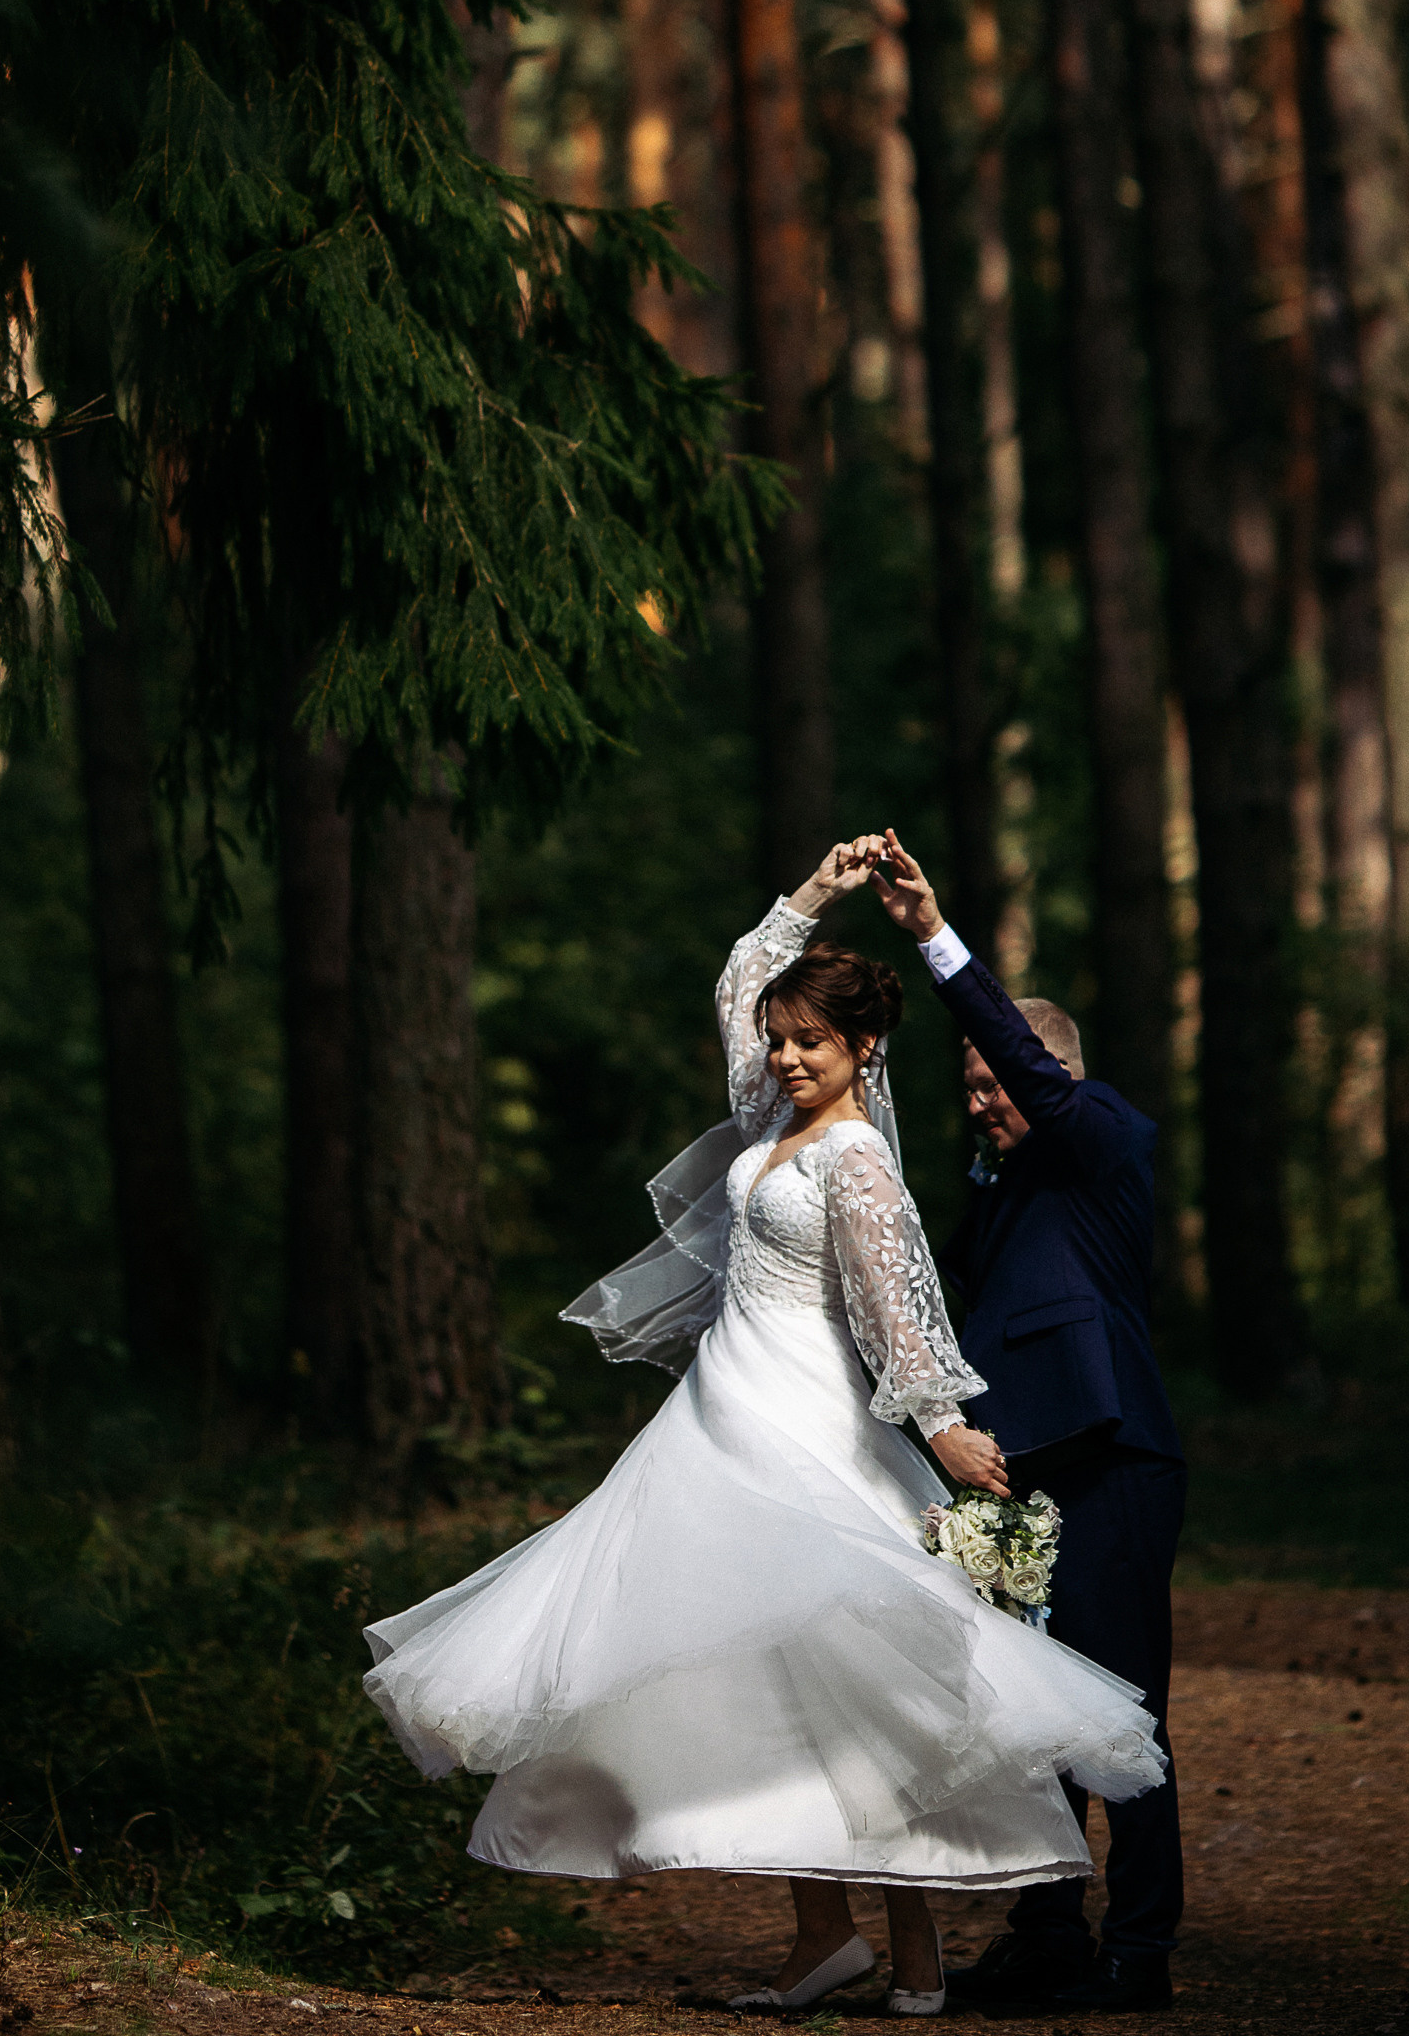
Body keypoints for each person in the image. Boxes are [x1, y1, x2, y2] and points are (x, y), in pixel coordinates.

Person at [362, 845, 1166, 2019]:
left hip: (808, 1425)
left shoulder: (858, 1162)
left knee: (855, 1684)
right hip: (720, 1412)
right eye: (781, 1043)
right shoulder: (771, 1119)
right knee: (772, 1679)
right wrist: (811, 896)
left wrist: (941, 1429)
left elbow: (896, 1314)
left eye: (810, 1045)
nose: (783, 1058)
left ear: (862, 1054)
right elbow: (743, 984)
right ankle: (823, 1938)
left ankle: (915, 1945)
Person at [864, 832, 1185, 2019]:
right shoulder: (1000, 1198)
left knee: (1119, 1710)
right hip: (1013, 1481)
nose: (980, 1099)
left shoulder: (1100, 1142)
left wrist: (930, 937)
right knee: (1030, 1713)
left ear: (1050, 1076)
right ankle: (1049, 1926)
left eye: (995, 1080)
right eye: (969, 1086)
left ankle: (1140, 1948)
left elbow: (1026, 1065)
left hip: (1113, 1466)